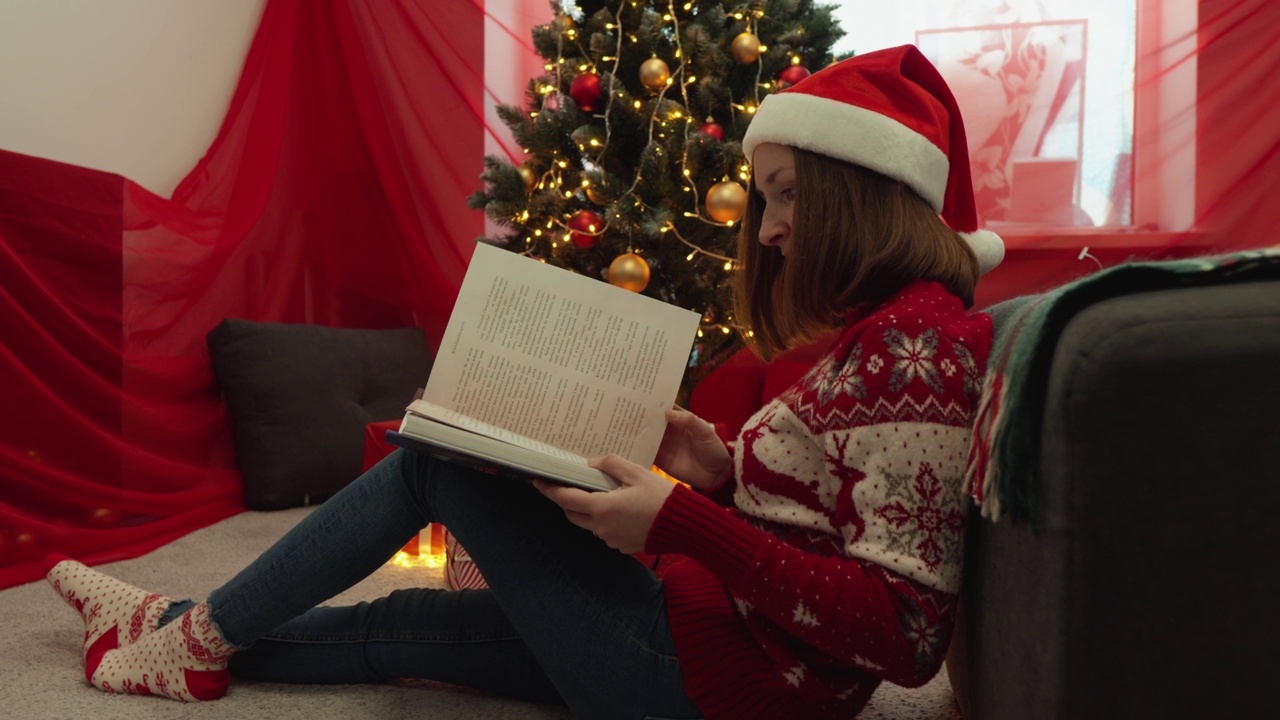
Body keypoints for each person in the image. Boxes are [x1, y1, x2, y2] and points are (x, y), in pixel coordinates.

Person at [44, 44, 1002, 719]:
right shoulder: (892, 333)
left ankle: (195, 637)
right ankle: (176, 626)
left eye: (788, 192)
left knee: (439, 464)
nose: (770, 229)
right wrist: (715, 474)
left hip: (713, 692)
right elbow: (825, 526)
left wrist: (677, 517)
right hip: (699, 637)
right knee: (408, 624)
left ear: (856, 189)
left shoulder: (914, 350)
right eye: (768, 198)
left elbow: (905, 632)